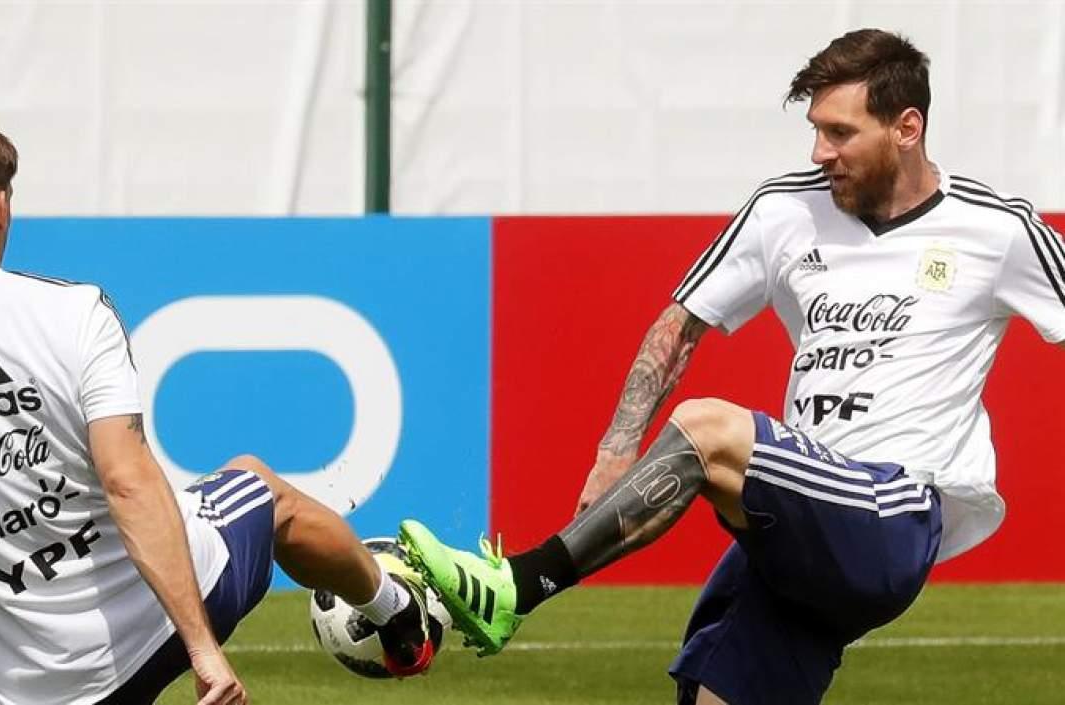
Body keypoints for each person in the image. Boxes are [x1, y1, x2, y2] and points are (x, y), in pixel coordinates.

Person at [399, 28, 1065, 705]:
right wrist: (615, 448)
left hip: (891, 515)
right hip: (800, 525)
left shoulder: (997, 230)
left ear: (906, 127)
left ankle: (517, 583)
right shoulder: (784, 210)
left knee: (706, 428)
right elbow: (679, 324)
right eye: (814, 131)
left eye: (840, 132)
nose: (820, 152)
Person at [0, 117, 436, 705]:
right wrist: (202, 650)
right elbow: (128, 482)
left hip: (37, 691)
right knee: (263, 491)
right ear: (1, 206)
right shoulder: (72, 313)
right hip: (163, 624)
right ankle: (395, 612)